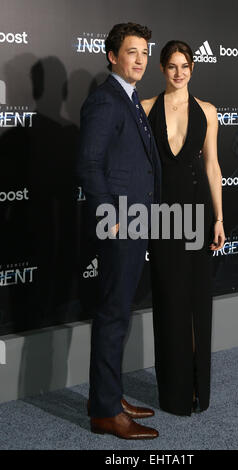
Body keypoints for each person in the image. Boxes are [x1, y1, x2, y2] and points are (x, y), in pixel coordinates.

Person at [77, 23, 161, 439]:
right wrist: (110, 216)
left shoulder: (128, 97)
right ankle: (106, 413)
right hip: (120, 223)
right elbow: (89, 165)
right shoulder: (105, 101)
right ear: (112, 55)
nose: (141, 59)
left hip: (137, 219)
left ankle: (106, 396)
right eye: (132, 52)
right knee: (113, 315)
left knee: (118, 313)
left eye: (145, 52)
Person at [141, 40, 225, 416]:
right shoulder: (144, 109)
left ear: (193, 68)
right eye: (172, 66)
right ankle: (173, 393)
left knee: (196, 305)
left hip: (198, 216)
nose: (179, 72)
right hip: (161, 218)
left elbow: (212, 166)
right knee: (169, 303)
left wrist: (220, 219)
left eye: (185, 65)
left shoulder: (208, 111)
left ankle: (197, 389)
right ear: (162, 68)